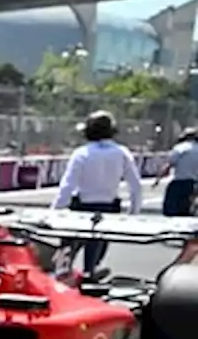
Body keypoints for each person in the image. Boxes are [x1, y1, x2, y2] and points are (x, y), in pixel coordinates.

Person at [52, 110, 142, 273]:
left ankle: (63, 276)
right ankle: (90, 274)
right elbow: (135, 185)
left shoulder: (82, 153)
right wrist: (133, 212)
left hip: (81, 206)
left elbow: (67, 185)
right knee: (96, 250)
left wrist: (56, 211)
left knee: (67, 250)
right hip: (109, 207)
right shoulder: (122, 153)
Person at [156, 128, 198, 217]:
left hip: (179, 182)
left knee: (171, 210)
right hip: (193, 183)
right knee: (187, 210)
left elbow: (169, 165)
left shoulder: (180, 148)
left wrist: (158, 179)